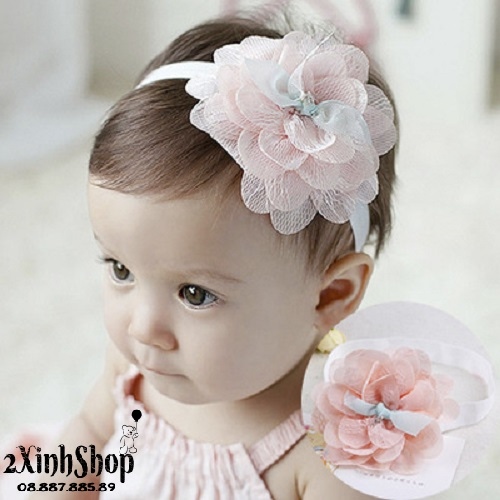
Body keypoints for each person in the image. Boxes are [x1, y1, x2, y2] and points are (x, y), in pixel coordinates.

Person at [30, 10, 397, 499]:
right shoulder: (136, 368)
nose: (142, 328)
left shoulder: (326, 457)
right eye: (121, 270)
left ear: (330, 295)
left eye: (195, 294)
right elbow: (89, 437)